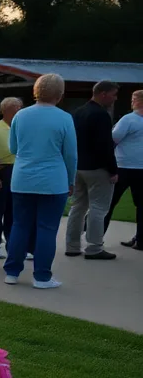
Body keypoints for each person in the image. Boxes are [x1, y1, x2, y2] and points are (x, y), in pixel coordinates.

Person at [4, 74, 78, 289]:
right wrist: (71, 180)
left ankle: (12, 272)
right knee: (47, 228)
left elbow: (13, 148)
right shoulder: (64, 118)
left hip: (22, 178)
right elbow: (70, 154)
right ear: (60, 94)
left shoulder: (20, 115)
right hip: (53, 180)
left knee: (20, 225)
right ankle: (42, 277)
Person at [66, 80, 120, 260]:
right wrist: (113, 170)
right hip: (97, 168)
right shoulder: (101, 115)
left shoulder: (77, 112)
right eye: (113, 95)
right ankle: (94, 247)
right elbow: (105, 146)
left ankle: (72, 245)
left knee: (78, 206)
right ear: (103, 94)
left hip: (79, 166)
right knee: (98, 208)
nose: (115, 99)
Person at [106, 89, 143, 249]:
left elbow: (113, 138)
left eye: (134, 99)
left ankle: (96, 239)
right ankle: (140, 240)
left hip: (123, 166)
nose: (131, 102)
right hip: (141, 168)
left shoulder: (128, 119)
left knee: (109, 202)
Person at [0, 97, 22, 259]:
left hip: (18, 169)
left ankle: (12, 244)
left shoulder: (21, 127)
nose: (19, 110)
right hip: (1, 169)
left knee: (13, 211)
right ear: (6, 110)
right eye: (16, 108)